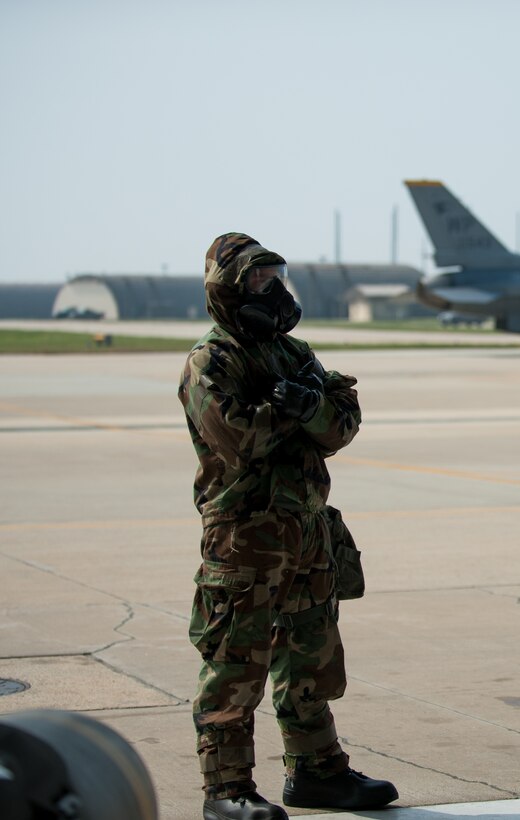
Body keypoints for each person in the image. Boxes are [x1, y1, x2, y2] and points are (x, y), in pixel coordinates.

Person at [179, 233, 397, 820]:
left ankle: (317, 772)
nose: (271, 290)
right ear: (228, 289)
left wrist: (312, 407)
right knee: (236, 662)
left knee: (311, 657)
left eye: (274, 277)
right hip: (245, 535)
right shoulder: (212, 361)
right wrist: (290, 411)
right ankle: (226, 789)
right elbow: (238, 440)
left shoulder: (294, 352)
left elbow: (341, 425)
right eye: (257, 280)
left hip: (307, 529)